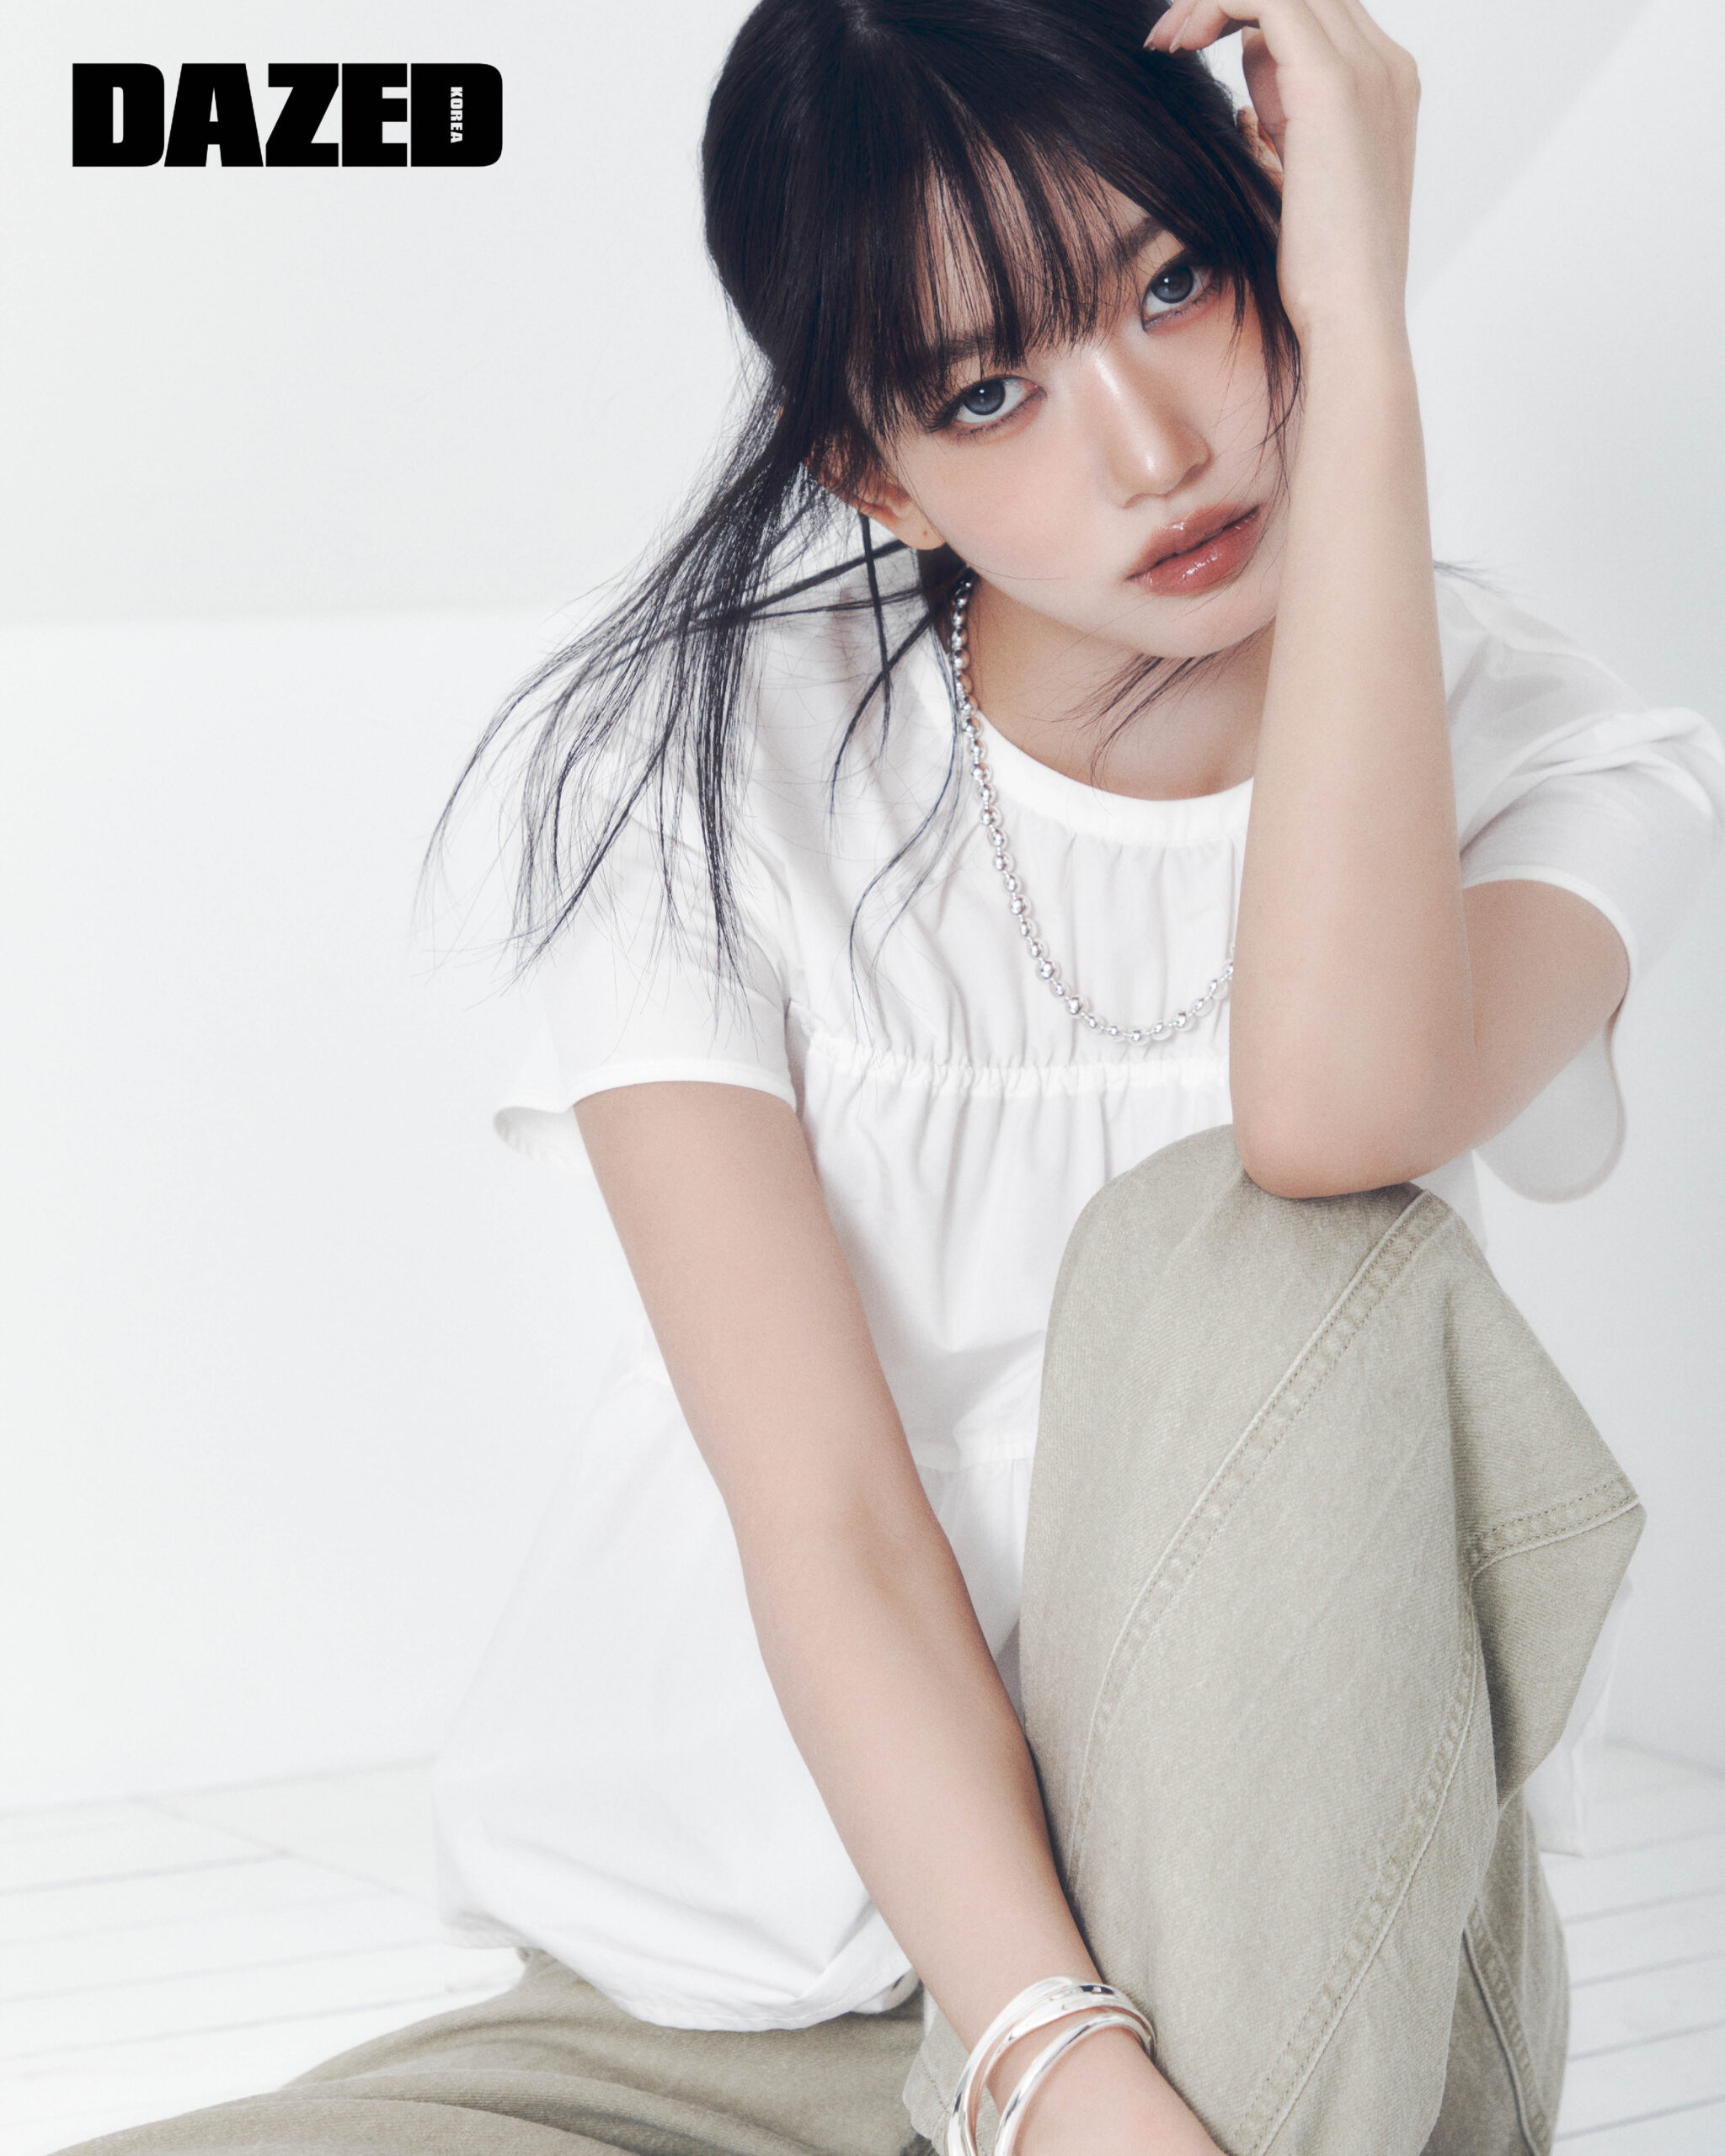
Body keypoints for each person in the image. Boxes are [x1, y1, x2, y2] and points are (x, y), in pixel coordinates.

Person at [65, 3, 1724, 2154]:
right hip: (734, 2021)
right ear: (870, 467)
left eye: (1178, 281)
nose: (1149, 447)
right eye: (986, 390)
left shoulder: (1561, 760)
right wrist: (1049, 2066)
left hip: (1287, 2007)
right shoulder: (699, 774)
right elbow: (826, 1514)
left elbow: (1331, 1118)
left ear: (1282, 239)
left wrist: (1367, 352)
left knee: (1275, 1247)